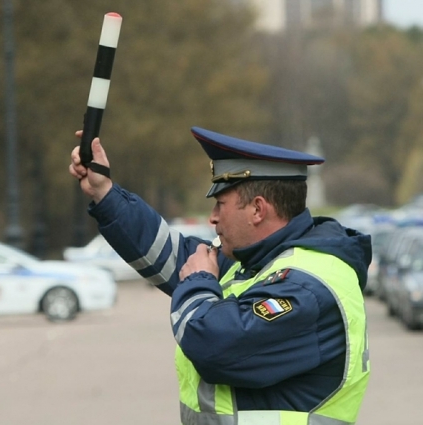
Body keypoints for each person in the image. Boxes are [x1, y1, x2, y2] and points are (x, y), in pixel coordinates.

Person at [69, 126, 371, 425]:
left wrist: (199, 283)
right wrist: (104, 192)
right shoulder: (259, 263)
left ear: (257, 210)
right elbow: (167, 253)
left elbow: (212, 346)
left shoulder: (305, 287)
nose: (212, 217)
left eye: (220, 204)